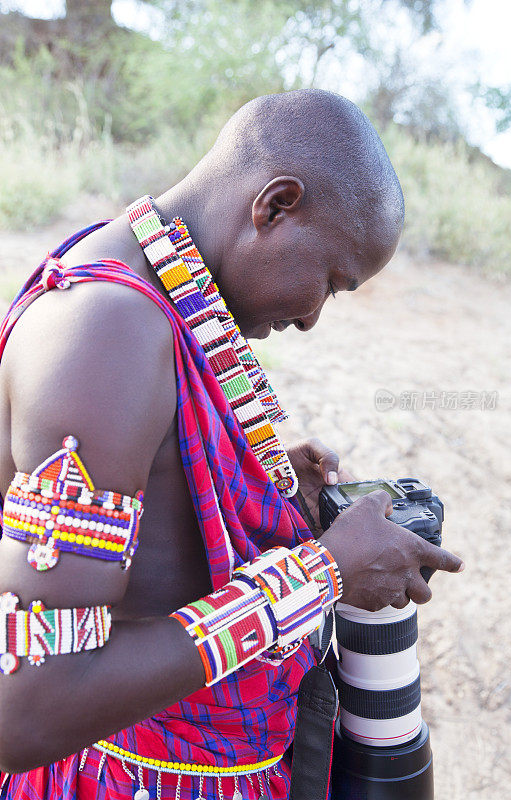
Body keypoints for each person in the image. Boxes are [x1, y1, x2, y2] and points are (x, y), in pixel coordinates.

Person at [0, 89, 463, 800]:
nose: (311, 318)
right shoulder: (105, 330)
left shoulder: (148, 294)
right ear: (275, 205)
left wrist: (257, 486)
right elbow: (28, 708)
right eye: (331, 283)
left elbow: (146, 506)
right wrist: (321, 577)